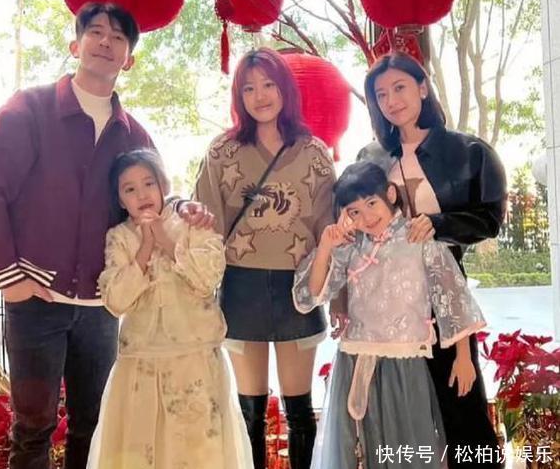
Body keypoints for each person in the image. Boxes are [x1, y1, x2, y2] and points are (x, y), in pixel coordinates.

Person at [0, 2, 211, 469]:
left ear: (129, 59)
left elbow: (154, 197)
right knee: (32, 429)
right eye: (96, 32)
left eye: (118, 37)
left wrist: (184, 207)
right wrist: (10, 277)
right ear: (75, 45)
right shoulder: (28, 109)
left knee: (94, 425)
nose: (105, 42)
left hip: (101, 306)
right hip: (35, 299)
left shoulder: (133, 134)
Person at [356, 51, 507, 468]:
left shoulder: (469, 151)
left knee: (461, 401)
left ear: (422, 87)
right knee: (400, 406)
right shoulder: (370, 157)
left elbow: (489, 219)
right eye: (381, 94)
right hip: (387, 297)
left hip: (442, 290)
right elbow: (354, 218)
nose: (391, 100)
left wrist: (438, 224)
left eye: (400, 87)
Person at [293, 161, 486, 469]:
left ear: (390, 195)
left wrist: (464, 357)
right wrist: (326, 246)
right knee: (364, 448)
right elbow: (313, 295)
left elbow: (452, 296)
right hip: (355, 359)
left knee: (407, 447)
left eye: (371, 203)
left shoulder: (418, 237)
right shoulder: (351, 246)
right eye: (355, 211)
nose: (366, 217)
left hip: (405, 362)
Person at [195, 47, 336, 469]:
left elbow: (328, 230)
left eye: (269, 84)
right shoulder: (221, 152)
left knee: (299, 409)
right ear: (238, 96)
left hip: (298, 286)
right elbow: (206, 228)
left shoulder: (314, 152)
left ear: (285, 89)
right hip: (241, 285)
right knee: (249, 410)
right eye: (249, 88)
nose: (260, 96)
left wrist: (336, 294)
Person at [87, 148, 252, 469]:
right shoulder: (119, 238)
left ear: (163, 184)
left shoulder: (194, 223)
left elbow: (208, 280)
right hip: (141, 363)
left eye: (149, 183)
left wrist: (165, 240)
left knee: (200, 452)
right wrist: (145, 250)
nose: (142, 195)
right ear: (120, 199)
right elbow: (116, 301)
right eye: (129, 189)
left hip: (195, 358)